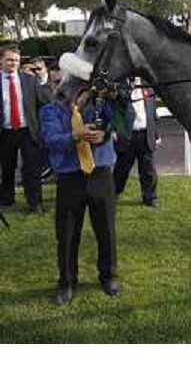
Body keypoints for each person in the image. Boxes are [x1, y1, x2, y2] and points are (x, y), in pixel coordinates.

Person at [40, 90, 120, 305]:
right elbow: (51, 139)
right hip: (69, 178)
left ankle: (108, 276)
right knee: (67, 234)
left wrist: (105, 132)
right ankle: (66, 282)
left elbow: (120, 122)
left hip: (100, 174)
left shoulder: (101, 105)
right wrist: (76, 135)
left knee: (106, 230)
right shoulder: (50, 110)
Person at [0, 45, 52, 211]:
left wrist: (43, 79)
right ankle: (7, 199)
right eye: (9, 59)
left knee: (32, 168)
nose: (13, 63)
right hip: (5, 132)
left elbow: (46, 100)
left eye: (16, 60)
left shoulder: (30, 80)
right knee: (7, 167)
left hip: (28, 131)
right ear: (1, 60)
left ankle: (34, 202)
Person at [114, 77, 160, 207]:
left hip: (145, 134)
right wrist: (131, 87)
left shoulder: (148, 87)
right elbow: (121, 102)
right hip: (127, 134)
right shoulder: (121, 86)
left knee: (148, 169)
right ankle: (114, 192)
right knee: (122, 168)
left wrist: (156, 134)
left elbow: (153, 113)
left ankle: (150, 197)